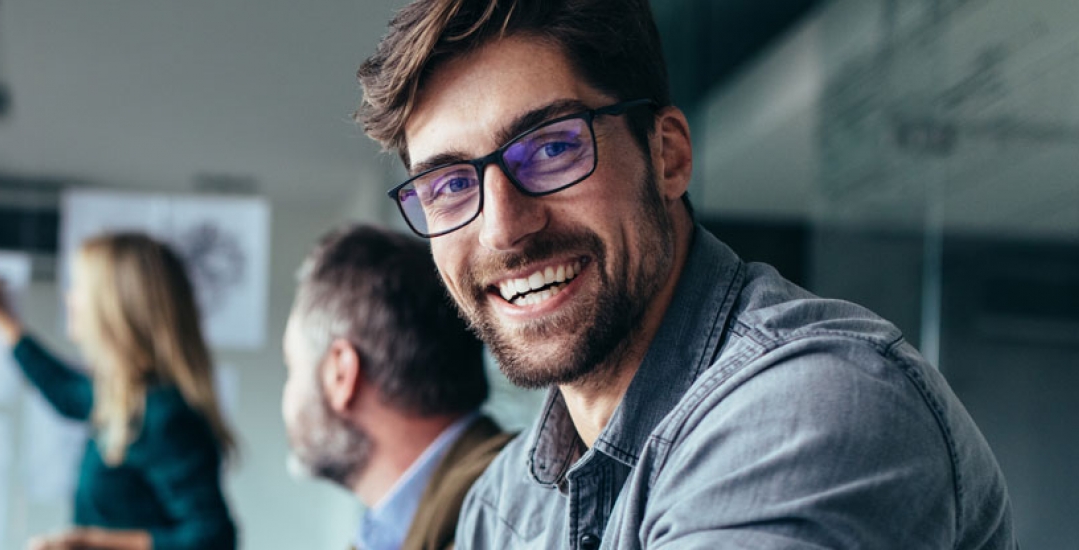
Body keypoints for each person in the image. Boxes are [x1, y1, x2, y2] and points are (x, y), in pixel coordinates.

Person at [352, 0, 1016, 548]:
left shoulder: (809, 411)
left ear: (667, 155)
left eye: (552, 147)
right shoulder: (505, 509)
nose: (502, 229)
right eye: (446, 186)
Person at [0, 232, 237, 550]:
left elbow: (214, 538)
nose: (70, 298)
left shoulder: (164, 415)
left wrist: (93, 543)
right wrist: (1, 317)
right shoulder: (125, 400)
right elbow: (63, 390)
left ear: (114, 306)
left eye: (79, 288)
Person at [282, 224, 512, 550]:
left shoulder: (507, 518)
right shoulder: (396, 530)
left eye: (292, 367)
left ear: (340, 374)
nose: (288, 397)